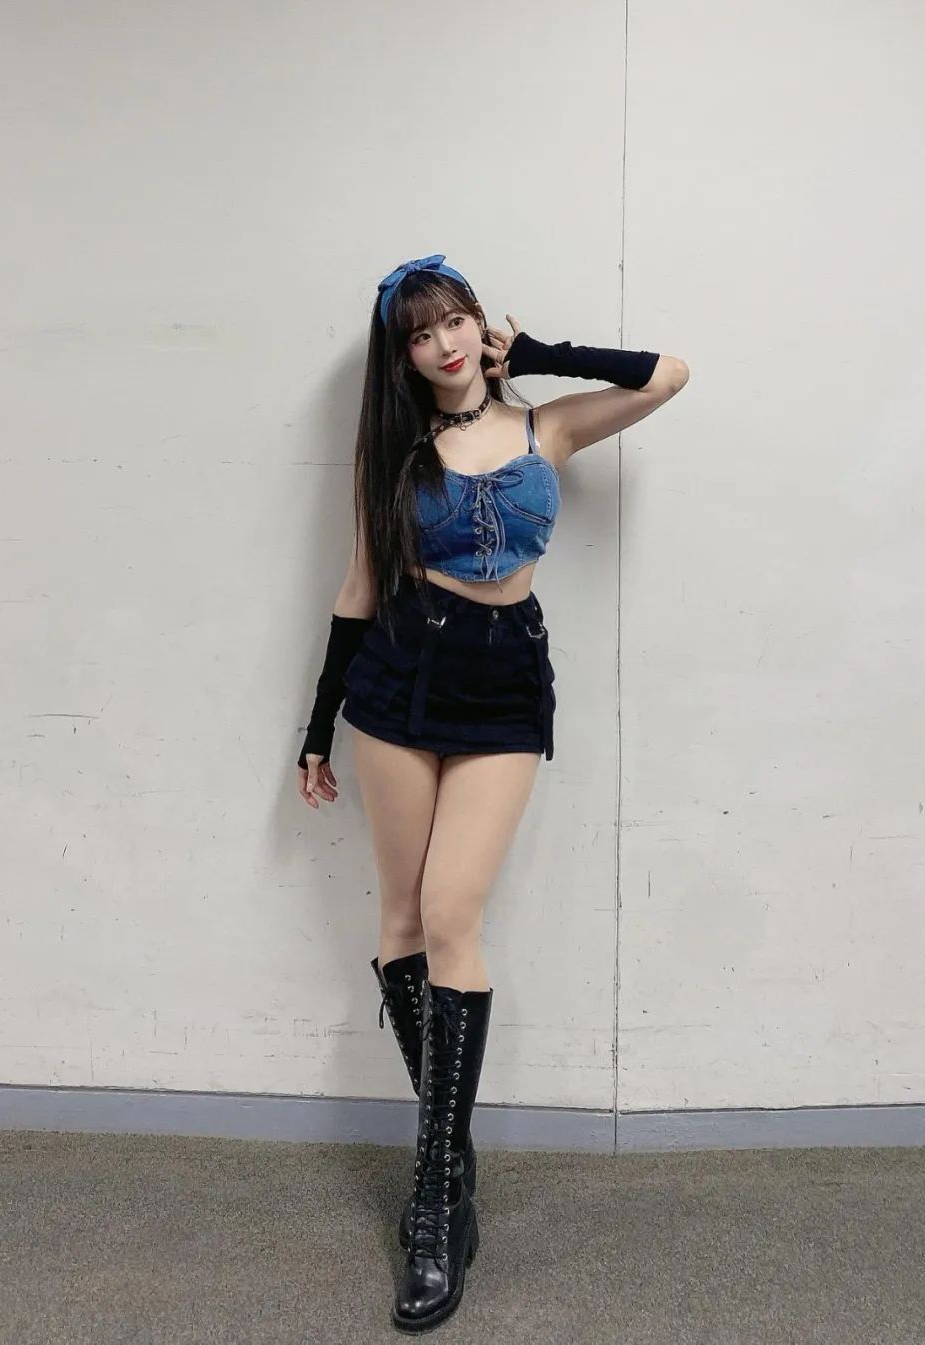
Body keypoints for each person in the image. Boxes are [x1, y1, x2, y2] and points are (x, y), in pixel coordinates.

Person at [295, 253, 688, 1332]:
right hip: (398, 681)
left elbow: (668, 373)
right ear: (403, 355)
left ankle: (433, 1192)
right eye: (421, 333)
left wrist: (542, 354)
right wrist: (318, 727)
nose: (445, 344)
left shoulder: (544, 429)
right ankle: (445, 1180)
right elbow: (357, 589)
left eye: (456, 321)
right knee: (402, 923)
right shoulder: (391, 453)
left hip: (505, 685)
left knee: (453, 913)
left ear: (480, 325)